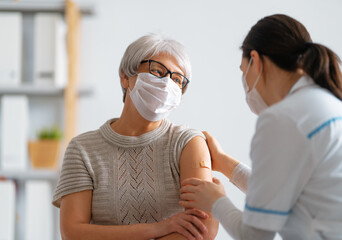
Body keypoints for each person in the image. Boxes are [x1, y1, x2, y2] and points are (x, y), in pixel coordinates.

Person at [179, 14, 342, 240]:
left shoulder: (282, 118)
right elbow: (283, 190)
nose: (245, 84)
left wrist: (216, 201)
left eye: (243, 70)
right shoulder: (328, 103)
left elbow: (254, 235)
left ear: (255, 60)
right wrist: (226, 164)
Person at [52, 34, 218, 240]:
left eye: (177, 79)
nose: (167, 84)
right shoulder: (83, 149)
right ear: (125, 76)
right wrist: (159, 228)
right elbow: (73, 233)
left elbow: (200, 230)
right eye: (157, 71)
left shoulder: (187, 143)